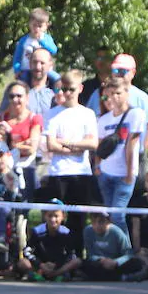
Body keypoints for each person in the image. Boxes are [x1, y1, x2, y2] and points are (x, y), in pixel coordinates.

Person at [40, 70, 100, 251]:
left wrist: (66, 143)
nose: (66, 93)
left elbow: (92, 143)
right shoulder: (52, 113)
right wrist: (76, 147)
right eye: (63, 89)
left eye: (70, 89)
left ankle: (77, 256)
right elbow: (51, 145)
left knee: (78, 219)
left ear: (80, 89)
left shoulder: (87, 114)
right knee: (56, 217)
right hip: (58, 172)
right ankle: (58, 255)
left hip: (81, 173)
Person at [88, 53, 148, 168]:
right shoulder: (98, 94)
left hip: (134, 159)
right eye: (116, 70)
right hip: (105, 157)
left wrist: (141, 149)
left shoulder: (141, 97)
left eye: (123, 71)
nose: (119, 74)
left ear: (133, 73)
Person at [93, 79, 145, 230]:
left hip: (124, 173)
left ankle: (125, 249)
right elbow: (100, 146)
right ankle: (114, 250)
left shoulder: (135, 114)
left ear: (126, 93)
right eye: (110, 95)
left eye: (118, 93)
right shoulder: (103, 119)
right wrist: (97, 166)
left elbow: (131, 144)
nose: (114, 98)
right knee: (110, 215)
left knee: (117, 215)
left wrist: (129, 173)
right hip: (106, 171)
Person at [0, 80, 43, 194]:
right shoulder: (1, 118)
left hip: (27, 167)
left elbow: (31, 148)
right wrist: (22, 144)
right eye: (12, 96)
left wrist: (11, 144)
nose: (15, 100)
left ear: (27, 98)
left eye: (19, 96)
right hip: (4, 167)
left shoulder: (34, 118)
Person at [15, 202, 81, 281]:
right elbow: (27, 251)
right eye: (50, 216)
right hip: (40, 265)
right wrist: (41, 264)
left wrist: (57, 265)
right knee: (23, 262)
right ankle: (37, 275)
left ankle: (57, 275)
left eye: (56, 216)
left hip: (58, 266)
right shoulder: (37, 232)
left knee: (77, 261)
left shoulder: (66, 233)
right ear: (45, 216)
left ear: (63, 217)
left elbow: (71, 254)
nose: (53, 219)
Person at [81, 208, 148, 281]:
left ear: (108, 222)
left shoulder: (117, 232)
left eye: (101, 222)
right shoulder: (87, 231)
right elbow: (90, 254)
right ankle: (121, 278)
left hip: (115, 263)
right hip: (99, 263)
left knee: (137, 263)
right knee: (84, 264)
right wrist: (101, 260)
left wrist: (116, 262)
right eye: (94, 222)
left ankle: (110, 277)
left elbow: (128, 254)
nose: (97, 225)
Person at [10, 7, 59, 85]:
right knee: (23, 81)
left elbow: (54, 50)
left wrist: (42, 41)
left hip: (45, 70)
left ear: (46, 26)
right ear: (29, 24)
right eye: (34, 25)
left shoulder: (47, 38)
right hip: (27, 69)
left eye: (40, 26)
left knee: (57, 79)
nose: (36, 29)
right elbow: (17, 57)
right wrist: (17, 70)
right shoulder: (24, 40)